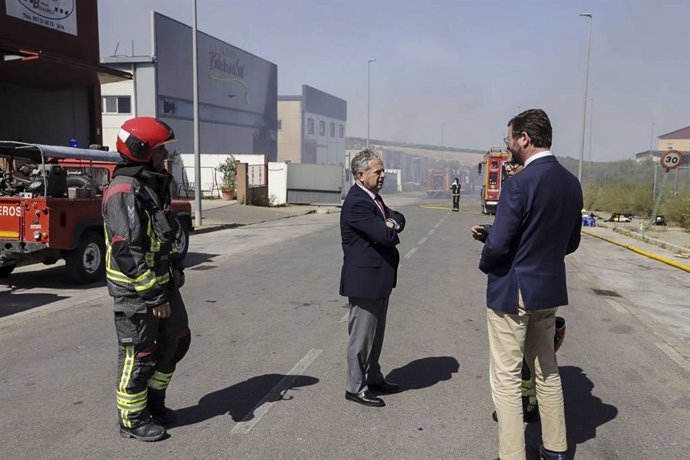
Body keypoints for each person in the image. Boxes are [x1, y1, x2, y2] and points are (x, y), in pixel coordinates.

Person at [471, 109, 582, 460]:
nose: (508, 146)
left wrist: (486, 258)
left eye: (509, 139)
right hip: (547, 289)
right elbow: (570, 242)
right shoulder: (570, 182)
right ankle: (556, 449)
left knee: (505, 378)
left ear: (525, 139)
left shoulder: (518, 184)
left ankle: (512, 454)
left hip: (514, 291)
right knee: (546, 370)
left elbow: (501, 245)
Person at [103, 117, 190, 442]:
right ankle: (132, 419)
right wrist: (154, 295)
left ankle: (155, 403)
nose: (165, 156)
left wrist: (175, 269)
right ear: (142, 151)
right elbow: (126, 251)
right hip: (137, 293)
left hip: (162, 284)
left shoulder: (152, 185)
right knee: (138, 355)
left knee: (177, 341)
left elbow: (162, 237)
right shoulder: (124, 191)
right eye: (160, 150)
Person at [340, 149, 405, 407]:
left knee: (376, 335)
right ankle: (355, 387)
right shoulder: (358, 202)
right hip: (365, 282)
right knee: (361, 338)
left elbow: (398, 218)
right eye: (377, 171)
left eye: (382, 170)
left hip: (379, 280)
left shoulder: (374, 199)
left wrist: (391, 222)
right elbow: (385, 236)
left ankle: (374, 377)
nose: (382, 175)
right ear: (360, 174)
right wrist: (389, 226)